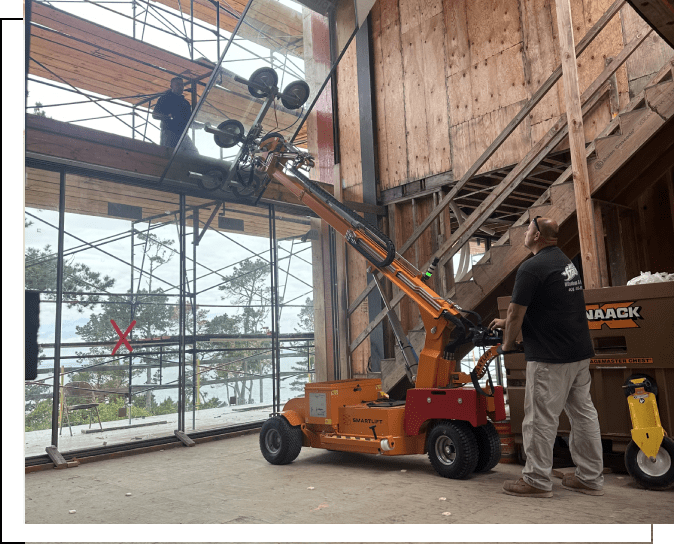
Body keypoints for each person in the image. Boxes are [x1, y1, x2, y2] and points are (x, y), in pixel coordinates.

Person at [490, 216, 604, 498]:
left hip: (551, 357)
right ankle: (590, 477)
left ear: (538, 235)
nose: (525, 234)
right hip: (578, 353)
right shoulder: (564, 263)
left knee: (540, 419)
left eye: (528, 230)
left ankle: (537, 481)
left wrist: (507, 344)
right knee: (583, 416)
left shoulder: (531, 267)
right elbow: (551, 306)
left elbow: (517, 312)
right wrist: (506, 324)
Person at [152, 77, 199, 154]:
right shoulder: (165, 99)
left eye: (182, 85)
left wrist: (203, 126)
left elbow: (190, 122)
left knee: (194, 154)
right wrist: (167, 116)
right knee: (169, 155)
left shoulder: (186, 103)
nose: (180, 87)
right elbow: (155, 115)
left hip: (182, 134)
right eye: (177, 85)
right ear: (171, 87)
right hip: (169, 133)